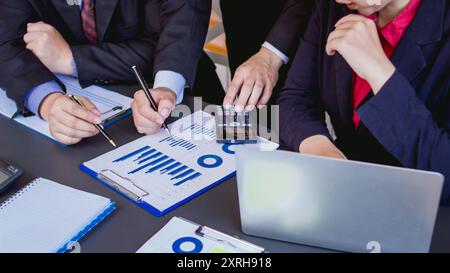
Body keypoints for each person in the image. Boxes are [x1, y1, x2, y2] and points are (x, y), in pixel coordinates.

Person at [278, 0, 450, 204]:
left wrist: (379, 73)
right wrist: (320, 148)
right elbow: (295, 97)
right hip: (340, 198)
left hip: (424, 212)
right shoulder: (332, 8)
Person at [0, 0, 213, 144]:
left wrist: (70, 59)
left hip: (180, 90)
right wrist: (48, 101)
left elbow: (169, 37)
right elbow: (6, 41)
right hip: (86, 102)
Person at [220, 0, 314, 111]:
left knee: (295, 103)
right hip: (240, 16)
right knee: (249, 93)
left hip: (292, 28)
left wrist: (271, 54)